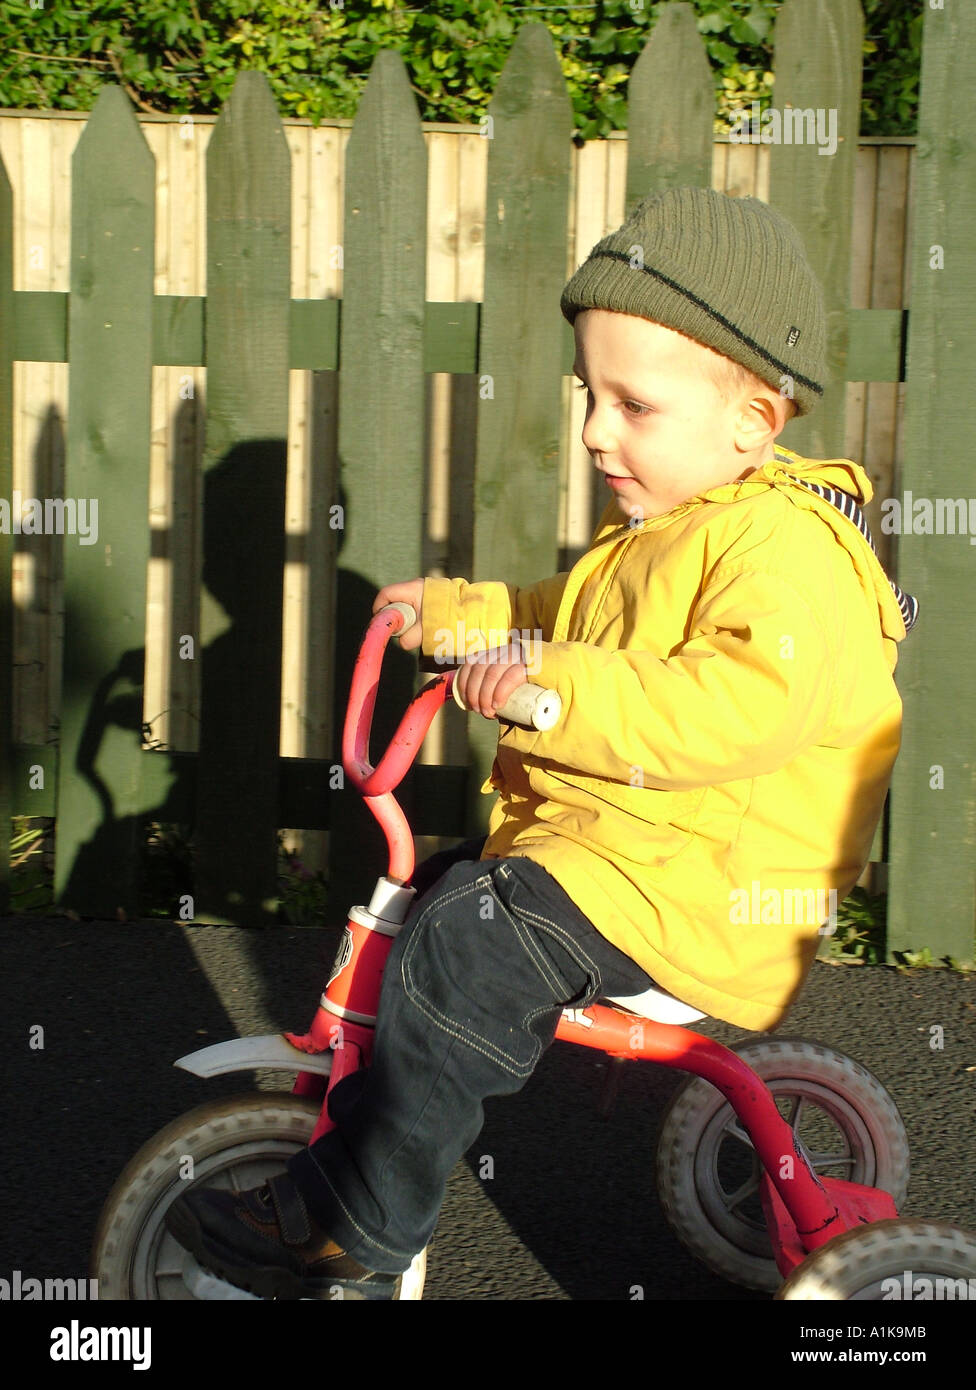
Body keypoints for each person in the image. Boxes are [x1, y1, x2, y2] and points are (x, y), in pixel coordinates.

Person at [165, 187, 916, 1299]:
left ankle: (358, 1235)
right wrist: (456, 615)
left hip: (703, 892)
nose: (593, 432)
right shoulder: (663, 534)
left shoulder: (783, 555)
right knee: (448, 904)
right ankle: (351, 1161)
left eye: (632, 405)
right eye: (587, 395)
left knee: (468, 944)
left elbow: (741, 707)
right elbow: (553, 615)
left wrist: (550, 692)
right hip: (631, 855)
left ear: (752, 419)